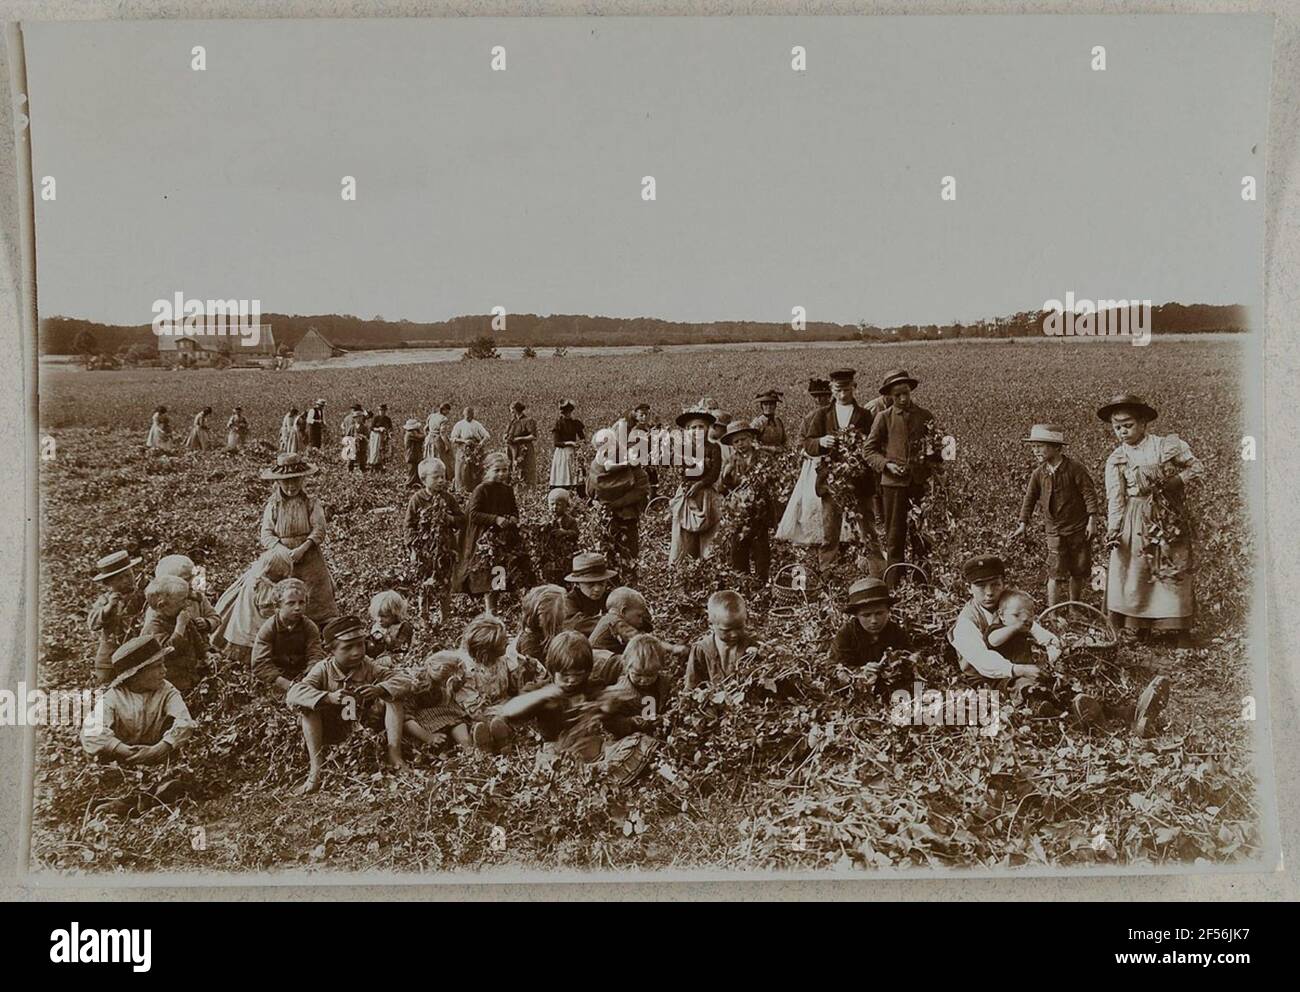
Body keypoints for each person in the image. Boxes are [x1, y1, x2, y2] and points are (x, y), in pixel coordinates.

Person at [1099, 393, 1204, 643]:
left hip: (1168, 515)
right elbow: (1115, 497)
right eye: (1117, 427)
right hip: (1135, 517)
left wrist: (1176, 481)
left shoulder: (1164, 446)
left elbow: (1196, 467)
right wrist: (1114, 529)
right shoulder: (1117, 459)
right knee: (1136, 569)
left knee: (1172, 564)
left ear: (1144, 423)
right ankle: (1138, 625)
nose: (1123, 432)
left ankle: (1179, 628)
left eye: (1128, 425)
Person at [286, 615, 415, 793]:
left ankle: (395, 756)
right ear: (330, 650)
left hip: (365, 728)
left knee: (393, 698)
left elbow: (405, 680)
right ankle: (316, 771)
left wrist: (380, 689)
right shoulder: (323, 669)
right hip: (332, 729)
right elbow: (294, 693)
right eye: (347, 647)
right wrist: (328, 697)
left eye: (360, 644)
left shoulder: (368, 665)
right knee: (307, 709)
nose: (357, 652)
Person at [865, 368, 944, 586]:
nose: (902, 398)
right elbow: (869, 451)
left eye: (906, 393)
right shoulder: (883, 418)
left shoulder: (925, 416)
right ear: (889, 395)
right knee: (894, 536)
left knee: (921, 534)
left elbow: (938, 450)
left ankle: (922, 582)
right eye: (897, 394)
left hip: (918, 484)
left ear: (911, 391)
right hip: (893, 486)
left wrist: (935, 453)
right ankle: (893, 585)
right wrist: (887, 465)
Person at [801, 368, 884, 573]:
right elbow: (808, 444)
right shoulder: (822, 415)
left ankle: (879, 572)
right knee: (830, 532)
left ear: (854, 388)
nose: (843, 394)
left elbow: (876, 445)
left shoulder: (865, 415)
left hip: (860, 482)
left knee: (868, 529)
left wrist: (863, 447)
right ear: (832, 389)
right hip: (832, 482)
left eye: (847, 389)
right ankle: (828, 574)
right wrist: (821, 441)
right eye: (838, 390)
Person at [1010, 424, 1101, 607]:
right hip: (1054, 530)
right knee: (1055, 570)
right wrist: (1023, 523)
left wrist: (1092, 520)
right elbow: (1030, 498)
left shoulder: (1075, 469)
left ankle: (1074, 606)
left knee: (1078, 569)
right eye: (1033, 447)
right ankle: (1053, 612)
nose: (1035, 451)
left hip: (1077, 527)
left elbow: (1089, 494)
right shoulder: (1038, 474)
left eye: (1040, 446)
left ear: (1056, 448)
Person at [81, 635, 196, 764]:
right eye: (158, 666)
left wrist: (158, 749)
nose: (164, 671)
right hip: (120, 759)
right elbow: (90, 730)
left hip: (157, 755)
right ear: (135, 675)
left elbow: (185, 721)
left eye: (163, 664)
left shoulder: (166, 690)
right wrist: (123, 750)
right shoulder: (114, 696)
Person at [946, 554, 1061, 682]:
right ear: (969, 588)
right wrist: (1020, 670)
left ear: (1003, 584)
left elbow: (1041, 634)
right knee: (1023, 686)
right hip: (986, 676)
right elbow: (981, 659)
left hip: (1022, 666)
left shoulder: (1009, 606)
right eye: (981, 586)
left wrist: (1047, 658)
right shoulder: (966, 621)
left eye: (995, 584)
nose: (989, 593)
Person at [258, 452, 338, 623]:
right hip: (281, 559)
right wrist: (282, 550)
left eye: (295, 480)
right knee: (282, 596)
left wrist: (303, 548)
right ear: (278, 482)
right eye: (286, 481)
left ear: (302, 480)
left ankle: (320, 629)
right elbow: (266, 534)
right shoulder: (273, 504)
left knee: (316, 596)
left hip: (309, 556)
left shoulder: (311, 502)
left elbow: (319, 529)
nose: (291, 486)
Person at [777, 378, 849, 545]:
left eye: (823, 396)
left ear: (831, 395)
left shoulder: (838, 415)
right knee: (812, 501)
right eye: (816, 397)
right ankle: (815, 537)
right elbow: (800, 443)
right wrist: (810, 453)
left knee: (839, 499)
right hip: (814, 464)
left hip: (838, 464)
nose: (819, 400)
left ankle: (842, 538)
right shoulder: (810, 418)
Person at [829, 577, 916, 703]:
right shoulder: (846, 634)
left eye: (879, 613)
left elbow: (912, 657)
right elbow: (832, 668)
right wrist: (860, 671)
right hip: (857, 697)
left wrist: (897, 666)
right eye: (866, 615)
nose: (874, 621)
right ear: (856, 616)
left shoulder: (896, 631)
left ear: (888, 611)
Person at [456, 451, 521, 614]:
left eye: (505, 470)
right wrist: (495, 519)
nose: (502, 474)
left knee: (498, 571)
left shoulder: (507, 490)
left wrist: (513, 518)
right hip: (483, 538)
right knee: (485, 573)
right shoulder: (481, 489)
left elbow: (514, 510)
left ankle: (493, 607)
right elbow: (473, 514)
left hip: (502, 538)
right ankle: (489, 609)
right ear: (487, 470)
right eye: (497, 470)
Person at [405, 458, 465, 626]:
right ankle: (424, 617)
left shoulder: (448, 498)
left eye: (443, 477)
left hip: (445, 548)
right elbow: (409, 526)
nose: (441, 480)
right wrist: (413, 549)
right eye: (436, 477)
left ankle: (445, 617)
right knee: (424, 583)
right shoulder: (417, 499)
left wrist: (449, 518)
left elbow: (461, 520)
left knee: (445, 582)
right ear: (424, 479)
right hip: (424, 550)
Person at [210, 545, 294, 663]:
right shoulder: (265, 587)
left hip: (244, 617)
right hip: (254, 625)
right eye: (281, 575)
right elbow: (266, 611)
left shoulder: (254, 575)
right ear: (277, 572)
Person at [587, 432, 651, 582]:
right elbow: (641, 490)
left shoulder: (598, 467)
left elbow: (590, 492)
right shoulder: (604, 466)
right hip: (618, 515)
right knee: (620, 550)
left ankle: (621, 580)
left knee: (619, 550)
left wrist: (611, 503)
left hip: (614, 515)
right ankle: (621, 579)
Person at [718, 422, 776, 583]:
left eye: (743, 440)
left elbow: (774, 482)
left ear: (751, 439)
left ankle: (761, 583)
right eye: (736, 442)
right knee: (738, 548)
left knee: (761, 550)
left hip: (760, 511)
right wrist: (724, 476)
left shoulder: (764, 458)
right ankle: (741, 582)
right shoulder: (731, 461)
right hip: (739, 513)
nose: (740, 444)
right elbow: (722, 489)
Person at [250, 578, 325, 693]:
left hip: (304, 674)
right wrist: (286, 684)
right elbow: (260, 663)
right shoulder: (269, 628)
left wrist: (309, 678)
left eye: (301, 602)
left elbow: (315, 654)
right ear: (277, 607)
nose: (297, 608)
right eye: (290, 603)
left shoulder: (309, 627)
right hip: (277, 677)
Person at [668, 409, 723, 564]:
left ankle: (707, 565)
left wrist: (700, 483)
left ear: (707, 429)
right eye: (693, 428)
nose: (697, 431)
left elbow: (714, 473)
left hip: (706, 494)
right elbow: (681, 472)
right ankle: (684, 568)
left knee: (709, 532)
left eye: (701, 427)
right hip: (687, 494)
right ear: (687, 430)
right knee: (685, 532)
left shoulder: (714, 448)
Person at [140, 575, 207, 695]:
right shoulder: (154, 626)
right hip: (171, 684)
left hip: (190, 676)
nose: (186, 604)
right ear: (162, 605)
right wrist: (180, 627)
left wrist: (205, 654)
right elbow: (167, 652)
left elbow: (196, 638)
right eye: (181, 601)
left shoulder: (178, 615)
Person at [87, 550, 144, 686]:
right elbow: (92, 623)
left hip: (135, 656)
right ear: (108, 584)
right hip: (109, 660)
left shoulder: (141, 596)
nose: (126, 581)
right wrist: (108, 608)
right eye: (119, 579)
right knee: (106, 689)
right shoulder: (105, 600)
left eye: (128, 575)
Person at [684, 590, 760, 689]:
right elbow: (691, 688)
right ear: (711, 623)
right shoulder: (702, 650)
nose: (734, 634)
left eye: (739, 627)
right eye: (727, 630)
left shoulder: (754, 645)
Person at [562, 552, 616, 636]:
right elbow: (577, 624)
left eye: (601, 583)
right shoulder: (569, 602)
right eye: (590, 584)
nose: (597, 589)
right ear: (577, 584)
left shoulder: (610, 598)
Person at [515, 583, 569, 664]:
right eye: (564, 609)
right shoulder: (529, 642)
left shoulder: (555, 633)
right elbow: (535, 673)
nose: (566, 610)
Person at [542, 488, 581, 585]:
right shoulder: (548, 521)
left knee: (566, 572)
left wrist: (565, 533)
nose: (554, 507)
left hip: (566, 553)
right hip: (552, 553)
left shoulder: (570, 520)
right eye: (552, 504)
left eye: (558, 504)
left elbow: (576, 534)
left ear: (566, 506)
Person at [549, 400, 586, 495]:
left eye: (569, 412)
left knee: (577, 475)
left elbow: (582, 437)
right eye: (566, 413)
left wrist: (581, 445)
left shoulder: (575, 423)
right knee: (564, 475)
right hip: (563, 452)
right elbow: (556, 443)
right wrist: (570, 443)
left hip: (574, 452)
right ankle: (563, 493)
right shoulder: (559, 424)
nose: (568, 414)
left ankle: (579, 494)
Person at [450, 407, 490, 493]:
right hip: (463, 449)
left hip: (475, 449)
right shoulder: (459, 424)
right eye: (466, 416)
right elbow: (453, 438)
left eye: (470, 416)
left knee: (475, 469)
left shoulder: (477, 424)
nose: (468, 418)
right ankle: (461, 490)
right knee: (462, 470)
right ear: (463, 415)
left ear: (473, 415)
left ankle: (475, 490)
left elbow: (486, 436)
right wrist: (464, 441)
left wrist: (481, 443)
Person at [366, 590, 413, 661]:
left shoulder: (403, 627)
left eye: (384, 616)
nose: (379, 620)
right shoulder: (377, 625)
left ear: (395, 614)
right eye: (377, 616)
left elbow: (401, 649)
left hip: (393, 659)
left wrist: (385, 638)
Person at [506, 401, 538, 488]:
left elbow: (533, 436)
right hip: (512, 449)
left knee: (525, 469)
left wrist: (519, 439)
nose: (511, 412)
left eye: (512, 410)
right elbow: (508, 434)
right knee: (513, 468)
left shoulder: (528, 421)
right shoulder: (512, 422)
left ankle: (527, 489)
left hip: (524, 449)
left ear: (515, 410)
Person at [341, 405, 369, 473]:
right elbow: (347, 436)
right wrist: (352, 439)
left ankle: (364, 474)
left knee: (362, 462)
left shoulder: (365, 427)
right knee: (350, 462)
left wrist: (362, 437)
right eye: (357, 418)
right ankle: (350, 473)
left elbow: (368, 437)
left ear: (362, 418)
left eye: (360, 417)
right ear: (354, 418)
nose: (358, 419)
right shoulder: (352, 427)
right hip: (352, 446)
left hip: (362, 447)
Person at [368, 404, 393, 472]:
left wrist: (390, 433)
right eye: (381, 410)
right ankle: (374, 465)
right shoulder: (376, 418)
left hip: (384, 436)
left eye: (383, 411)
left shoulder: (387, 419)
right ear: (379, 411)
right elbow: (372, 428)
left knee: (383, 451)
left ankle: (382, 466)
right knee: (375, 451)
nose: (382, 412)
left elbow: (390, 428)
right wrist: (379, 429)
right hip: (376, 436)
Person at [402, 418, 425, 487]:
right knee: (412, 471)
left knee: (415, 470)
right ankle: (407, 484)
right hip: (411, 454)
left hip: (414, 454)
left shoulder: (411, 433)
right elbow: (421, 437)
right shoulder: (410, 434)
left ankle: (416, 483)